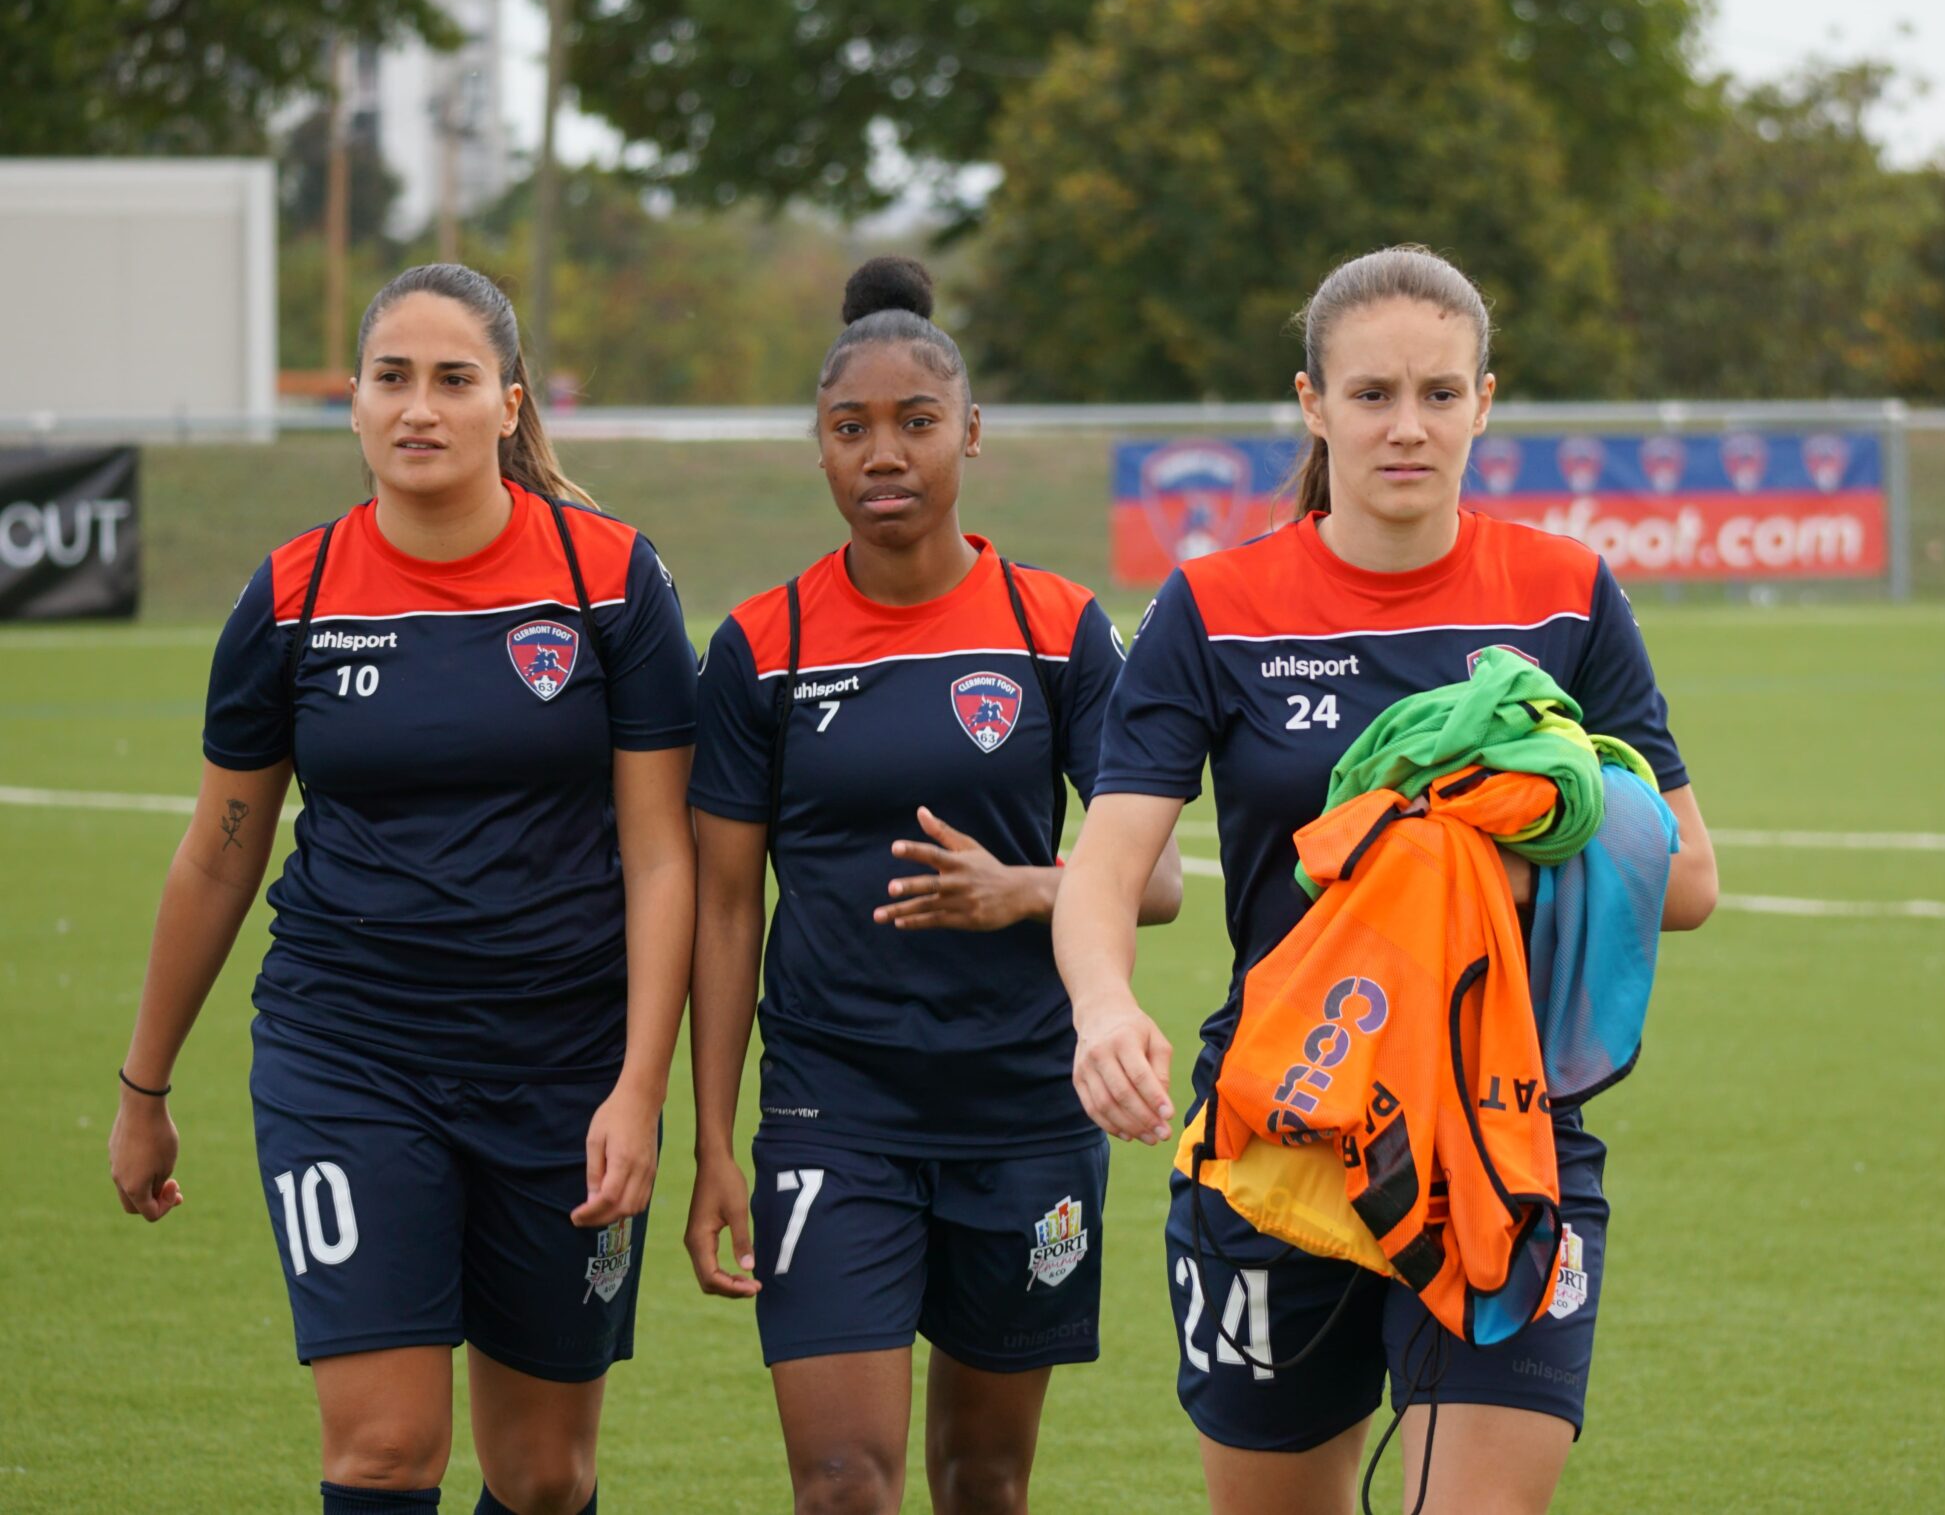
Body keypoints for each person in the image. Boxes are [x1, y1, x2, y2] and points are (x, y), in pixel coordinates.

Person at [1051, 245, 1718, 1515]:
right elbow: (1106, 866)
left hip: (1505, 1131)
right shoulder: (1215, 605)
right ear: (1312, 404)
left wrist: (1472, 851)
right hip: (1281, 1127)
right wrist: (1101, 1007)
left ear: (1483, 402)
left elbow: (1686, 877)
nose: (1406, 426)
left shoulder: (1566, 595)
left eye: (1438, 393)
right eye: (1371, 395)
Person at [107, 264, 699, 1515]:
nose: (418, 407)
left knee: (545, 1474)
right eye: (391, 379)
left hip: (562, 1066)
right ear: (356, 403)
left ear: (509, 405)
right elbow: (220, 850)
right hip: (351, 1055)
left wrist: (639, 1090)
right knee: (385, 1448)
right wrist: (143, 1089)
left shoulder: (608, 579)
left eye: (452, 380)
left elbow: (662, 857)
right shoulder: (292, 596)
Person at [684, 257, 1183, 1515]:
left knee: (985, 1482)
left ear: (969, 430)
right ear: (819, 446)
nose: (884, 455)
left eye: (915, 422)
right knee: (841, 1483)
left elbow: (1159, 879)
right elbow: (725, 908)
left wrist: (1023, 889)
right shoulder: (762, 646)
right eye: (851, 428)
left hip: (1022, 1110)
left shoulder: (1057, 628)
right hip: (833, 1110)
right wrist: (711, 1139)